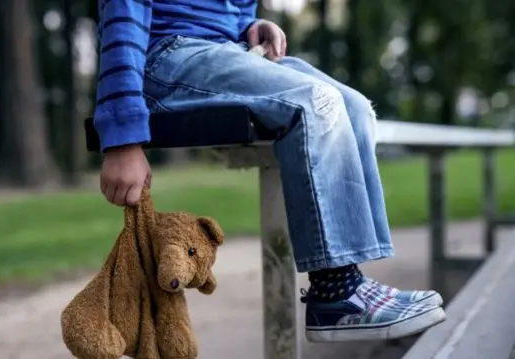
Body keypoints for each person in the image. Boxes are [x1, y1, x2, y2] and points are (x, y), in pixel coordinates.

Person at [95, 0, 446, 342]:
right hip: (164, 56)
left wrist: (247, 27)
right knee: (314, 101)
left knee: (355, 109)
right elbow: (122, 15)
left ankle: (352, 282)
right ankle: (336, 292)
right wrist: (121, 137)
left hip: (228, 49)